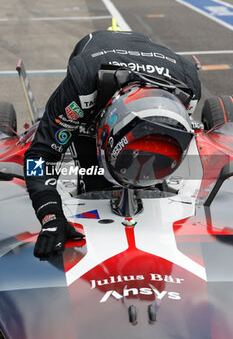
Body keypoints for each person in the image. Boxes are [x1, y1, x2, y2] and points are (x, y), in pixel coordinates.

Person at [24, 29, 201, 258]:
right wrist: (50, 215)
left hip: (157, 65)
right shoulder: (83, 85)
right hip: (95, 71)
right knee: (94, 179)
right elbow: (41, 155)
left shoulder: (188, 87)